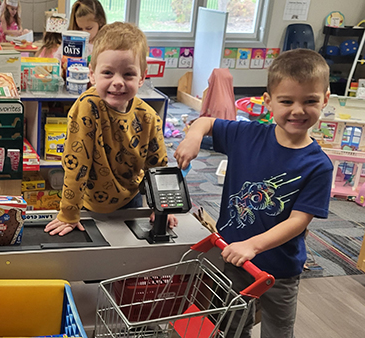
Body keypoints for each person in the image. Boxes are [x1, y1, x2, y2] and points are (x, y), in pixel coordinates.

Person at [173, 48, 334, 338]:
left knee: (278, 329)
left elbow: (298, 221)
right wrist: (193, 137)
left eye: (309, 101)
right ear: (269, 102)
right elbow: (205, 122)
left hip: (279, 269)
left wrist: (254, 246)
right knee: (231, 323)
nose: (298, 110)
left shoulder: (318, 165)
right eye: (287, 101)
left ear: (325, 99)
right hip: (232, 256)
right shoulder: (247, 135)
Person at [44, 22, 175, 236]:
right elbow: (77, 164)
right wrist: (68, 213)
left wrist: (161, 207)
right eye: (108, 73)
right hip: (87, 203)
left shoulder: (149, 117)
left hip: (130, 198)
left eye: (128, 74)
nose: (118, 82)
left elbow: (157, 165)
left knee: (127, 251)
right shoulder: (87, 106)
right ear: (92, 74)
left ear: (142, 76)